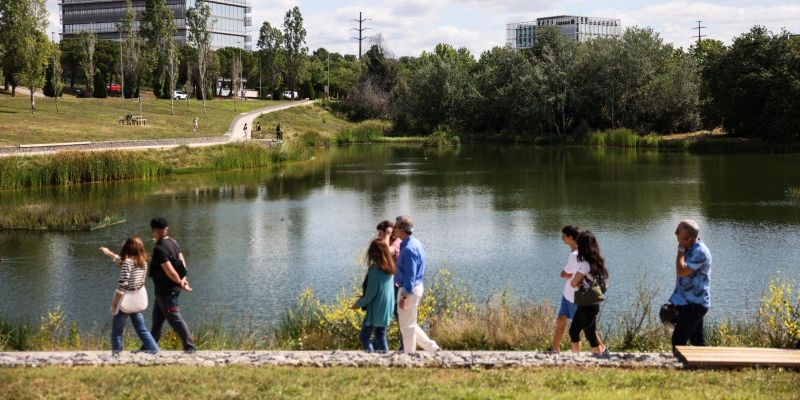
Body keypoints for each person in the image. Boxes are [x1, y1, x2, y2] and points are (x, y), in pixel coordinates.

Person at [550, 225, 606, 353]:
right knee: (575, 328)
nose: (562, 239)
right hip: (575, 297)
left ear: (572, 238)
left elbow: (568, 277)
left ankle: (600, 351)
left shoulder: (578, 257)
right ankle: (556, 350)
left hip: (579, 298)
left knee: (588, 330)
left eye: (563, 236)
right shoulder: (593, 259)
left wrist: (574, 278)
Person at [100, 237, 160, 355]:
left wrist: (114, 304)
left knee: (117, 332)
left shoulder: (128, 262)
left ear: (128, 247)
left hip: (126, 301)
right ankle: (155, 351)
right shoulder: (143, 262)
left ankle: (117, 356)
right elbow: (121, 262)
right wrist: (109, 253)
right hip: (137, 300)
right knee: (142, 329)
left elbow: (122, 286)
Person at [147, 217, 196, 353]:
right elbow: (182, 262)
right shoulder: (173, 242)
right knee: (157, 321)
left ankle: (190, 347)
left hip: (166, 291)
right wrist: (183, 279)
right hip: (166, 290)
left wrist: (180, 282)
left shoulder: (159, 249)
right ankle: (149, 347)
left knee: (175, 319)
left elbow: (170, 271)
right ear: (166, 229)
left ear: (154, 230)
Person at [395, 215, 440, 353]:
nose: (394, 229)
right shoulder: (417, 243)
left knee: (406, 327)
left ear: (401, 229)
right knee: (410, 323)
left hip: (409, 289)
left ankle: (409, 354)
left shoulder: (408, 249)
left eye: (396, 227)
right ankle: (432, 348)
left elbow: (410, 275)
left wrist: (404, 296)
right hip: (416, 286)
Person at [669, 219, 712, 351]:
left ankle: (679, 363)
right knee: (697, 342)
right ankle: (706, 362)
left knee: (678, 340)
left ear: (687, 236)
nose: (675, 234)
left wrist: (680, 249)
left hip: (695, 305)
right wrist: (675, 301)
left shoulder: (700, 252)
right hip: (688, 303)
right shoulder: (689, 248)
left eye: (678, 231)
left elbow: (681, 271)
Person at [352, 239, 396, 352]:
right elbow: (382, 289)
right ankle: (385, 356)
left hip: (377, 310)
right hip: (387, 308)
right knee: (380, 335)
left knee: (364, 337)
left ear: (373, 253)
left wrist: (359, 304)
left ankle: (371, 357)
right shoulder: (390, 268)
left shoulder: (375, 270)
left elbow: (371, 293)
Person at [569, 230, 609, 354]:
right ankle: (578, 358)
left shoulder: (585, 264)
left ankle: (596, 357)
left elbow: (573, 283)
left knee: (588, 334)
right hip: (592, 303)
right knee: (575, 331)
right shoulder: (597, 262)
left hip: (587, 304)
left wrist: (576, 281)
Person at [376, 220, 403, 350]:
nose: (378, 236)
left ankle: (404, 347)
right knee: (387, 316)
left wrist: (386, 235)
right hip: (389, 286)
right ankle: (383, 347)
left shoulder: (397, 243)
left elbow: (386, 252)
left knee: (400, 318)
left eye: (380, 233)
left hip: (396, 287)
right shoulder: (390, 242)